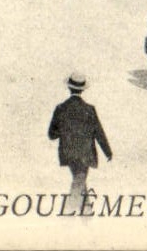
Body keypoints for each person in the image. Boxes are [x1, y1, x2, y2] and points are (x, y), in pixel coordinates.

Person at [47, 73, 111, 210]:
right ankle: (68, 217)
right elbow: (99, 132)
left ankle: (87, 215)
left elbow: (51, 135)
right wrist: (108, 152)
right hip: (85, 153)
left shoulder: (60, 108)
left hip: (68, 152)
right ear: (82, 89)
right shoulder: (89, 109)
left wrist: (65, 131)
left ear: (69, 88)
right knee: (78, 182)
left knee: (79, 180)